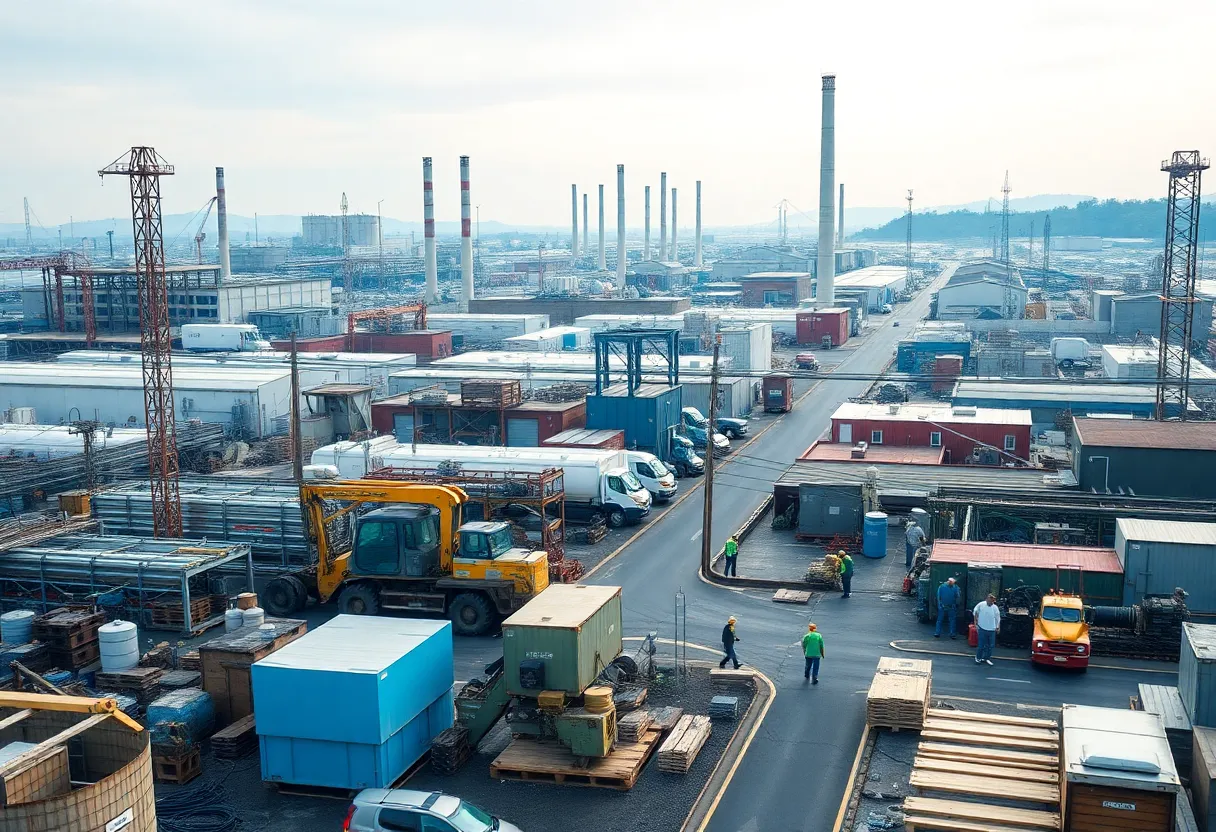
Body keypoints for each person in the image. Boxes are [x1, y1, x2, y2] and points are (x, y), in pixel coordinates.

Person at [973, 593, 1001, 666]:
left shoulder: (995, 608)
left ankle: (986, 658)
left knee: (990, 645)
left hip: (992, 629)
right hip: (982, 628)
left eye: (992, 602)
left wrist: (998, 627)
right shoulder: (981, 605)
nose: (991, 603)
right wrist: (975, 623)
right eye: (990, 601)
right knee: (981, 645)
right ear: (986, 600)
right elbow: (975, 612)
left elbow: (998, 618)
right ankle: (978, 658)